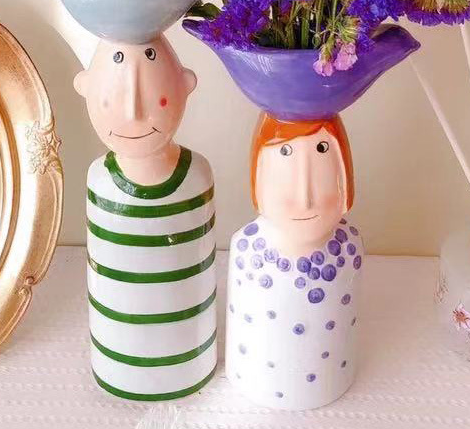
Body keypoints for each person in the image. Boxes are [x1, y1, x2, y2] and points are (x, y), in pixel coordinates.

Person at [75, 35, 217, 400]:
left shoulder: (197, 176)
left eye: (154, 95)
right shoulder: (100, 181)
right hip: (116, 359)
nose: (134, 112)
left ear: (185, 87)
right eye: (112, 96)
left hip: (190, 358)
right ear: (85, 88)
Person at [225, 113, 364, 410]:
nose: (305, 199)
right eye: (285, 153)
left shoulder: (347, 249)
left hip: (334, 383)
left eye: (323, 150)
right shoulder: (248, 252)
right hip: (252, 387)